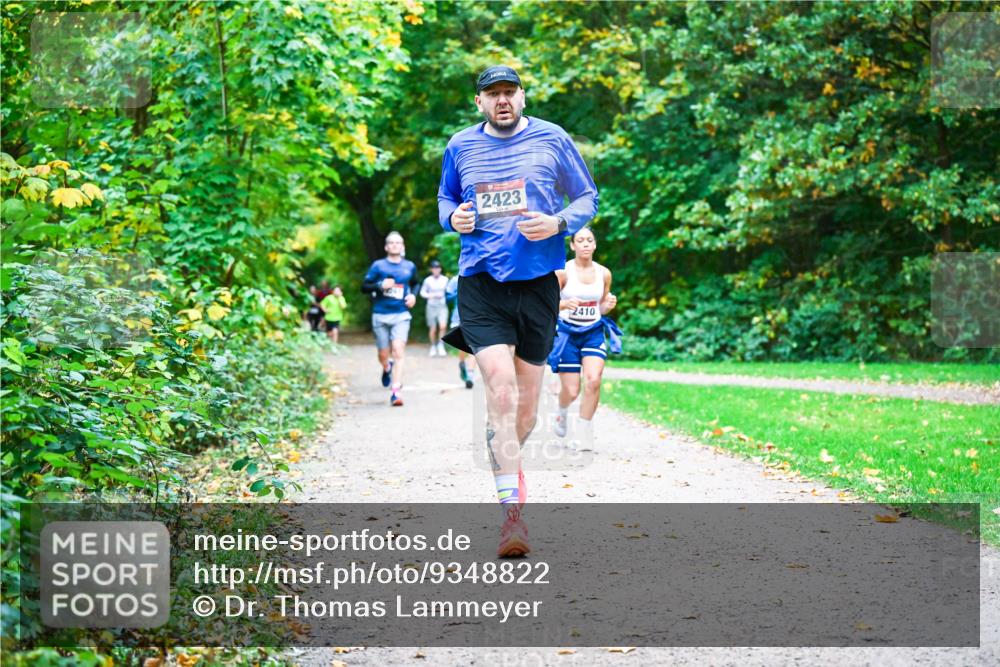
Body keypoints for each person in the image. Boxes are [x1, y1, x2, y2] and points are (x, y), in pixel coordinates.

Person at [438, 65, 598, 556]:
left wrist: (557, 223)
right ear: (479, 103)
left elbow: (587, 197)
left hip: (538, 287)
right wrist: (454, 216)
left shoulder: (552, 139)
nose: (502, 100)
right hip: (481, 281)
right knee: (501, 393)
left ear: (522, 97)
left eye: (509, 92)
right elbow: (446, 199)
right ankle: (512, 517)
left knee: (525, 410)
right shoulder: (460, 145)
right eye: (492, 94)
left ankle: (508, 457)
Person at [548, 227, 621, 450]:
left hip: (592, 332)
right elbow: (545, 303)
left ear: (595, 244)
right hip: (567, 333)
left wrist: (606, 307)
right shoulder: (563, 272)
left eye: (590, 240)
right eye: (580, 240)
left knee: (593, 380)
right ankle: (561, 412)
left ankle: (584, 431)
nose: (586, 244)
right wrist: (563, 304)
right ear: (573, 245)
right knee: (571, 390)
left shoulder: (604, 273)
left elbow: (601, 306)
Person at [361, 232, 417, 406]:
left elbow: (416, 283)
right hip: (380, 314)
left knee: (398, 350)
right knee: (383, 354)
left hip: (401, 314)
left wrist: (413, 296)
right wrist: (379, 285)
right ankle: (386, 367)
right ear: (386, 247)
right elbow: (364, 287)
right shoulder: (378, 266)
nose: (394, 245)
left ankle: (395, 391)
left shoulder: (409, 266)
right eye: (391, 243)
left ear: (402, 246)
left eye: (398, 243)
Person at [445, 272, 475, 389]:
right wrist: (458, 293)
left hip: (475, 318)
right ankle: (462, 363)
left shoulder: (479, 277)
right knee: (465, 348)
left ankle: (470, 375)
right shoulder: (455, 279)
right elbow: (447, 297)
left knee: (474, 347)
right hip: (459, 317)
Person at [419, 260, 450, 356]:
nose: (436, 270)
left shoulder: (445, 279)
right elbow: (422, 292)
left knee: (443, 326)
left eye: (438, 268)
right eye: (434, 268)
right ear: (431, 269)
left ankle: (441, 345)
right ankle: (433, 346)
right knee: (432, 328)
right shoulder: (427, 280)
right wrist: (430, 295)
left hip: (442, 306)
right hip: (431, 306)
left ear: (440, 269)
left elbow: (449, 291)